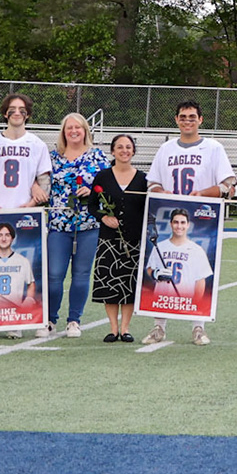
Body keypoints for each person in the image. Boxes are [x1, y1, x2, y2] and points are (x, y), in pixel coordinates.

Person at [143, 98, 235, 347]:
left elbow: (229, 186)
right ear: (176, 120)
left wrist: (203, 194)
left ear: (201, 120)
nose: (187, 121)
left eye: (192, 116)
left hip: (202, 217)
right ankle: (159, 326)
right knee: (164, 267)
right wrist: (162, 190)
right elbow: (152, 183)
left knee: (196, 272)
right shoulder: (166, 149)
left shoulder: (213, 148)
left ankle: (198, 326)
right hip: (170, 216)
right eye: (183, 117)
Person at [46, 113, 109, 338]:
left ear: (85, 131)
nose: (74, 131)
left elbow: (107, 187)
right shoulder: (52, 157)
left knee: (81, 274)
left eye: (78, 127)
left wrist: (93, 191)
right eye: (69, 127)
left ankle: (74, 320)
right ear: (63, 132)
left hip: (88, 224)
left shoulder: (97, 157)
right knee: (54, 274)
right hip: (59, 224)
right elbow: (41, 184)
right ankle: (50, 320)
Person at [90, 134, 145, 342]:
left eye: (128, 147)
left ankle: (126, 328)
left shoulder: (142, 179)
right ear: (113, 151)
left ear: (133, 151)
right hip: (108, 240)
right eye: (119, 147)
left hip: (134, 239)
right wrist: (103, 217)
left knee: (129, 283)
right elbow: (92, 206)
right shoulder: (103, 177)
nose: (124, 150)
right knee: (110, 284)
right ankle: (113, 328)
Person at [0, 94, 52, 212]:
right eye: (12, 109)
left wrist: (32, 204)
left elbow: (44, 181)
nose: (17, 113)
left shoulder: (37, 145)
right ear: (5, 113)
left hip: (24, 212)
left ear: (28, 114)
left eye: (22, 110)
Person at [143, 208, 214, 320]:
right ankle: (159, 328)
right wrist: (156, 273)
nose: (179, 226)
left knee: (196, 321)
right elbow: (150, 268)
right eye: (176, 222)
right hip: (163, 299)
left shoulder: (197, 250)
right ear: (171, 224)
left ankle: (198, 328)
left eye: (182, 222)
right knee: (160, 314)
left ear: (188, 225)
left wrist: (195, 303)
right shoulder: (160, 246)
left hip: (185, 298)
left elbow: (200, 280)